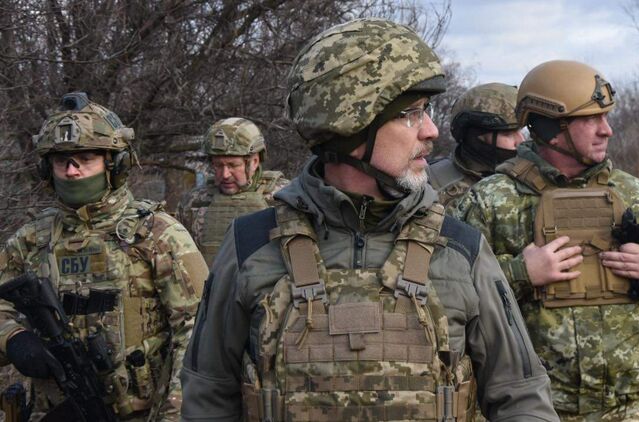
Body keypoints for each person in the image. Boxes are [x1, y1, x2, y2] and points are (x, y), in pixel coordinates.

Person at [180, 18, 557, 422]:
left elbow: (523, 400)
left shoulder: (461, 249)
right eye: (411, 114)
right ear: (350, 125)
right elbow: (207, 399)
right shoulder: (251, 245)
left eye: (426, 111)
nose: (430, 131)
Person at [452, 60, 639, 421]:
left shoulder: (635, 193)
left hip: (628, 410)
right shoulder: (490, 201)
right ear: (552, 129)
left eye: (606, 117)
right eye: (592, 119)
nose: (607, 130)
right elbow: (448, 293)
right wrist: (519, 273)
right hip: (534, 410)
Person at [0, 93, 208, 421]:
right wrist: (13, 338)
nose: (72, 171)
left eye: (85, 158)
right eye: (62, 161)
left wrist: (174, 414)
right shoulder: (31, 240)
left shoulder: (157, 234)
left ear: (115, 164)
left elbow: (198, 332)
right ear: (46, 168)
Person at [176, 118, 288, 266]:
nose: (225, 174)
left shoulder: (284, 199)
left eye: (233, 165)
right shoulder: (193, 203)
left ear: (254, 162)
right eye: (218, 165)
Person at [427, 83, 525, 209]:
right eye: (507, 134)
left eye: (520, 131)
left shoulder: (529, 180)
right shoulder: (431, 182)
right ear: (475, 136)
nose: (521, 141)